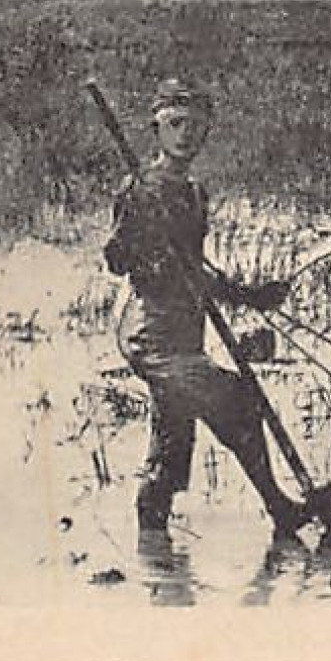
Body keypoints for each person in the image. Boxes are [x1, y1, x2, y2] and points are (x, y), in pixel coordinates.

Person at [104, 78, 307, 537]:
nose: (185, 135)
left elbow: (198, 271)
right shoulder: (139, 190)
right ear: (156, 129)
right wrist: (150, 246)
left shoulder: (194, 193)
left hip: (184, 333)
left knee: (172, 445)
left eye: (195, 126)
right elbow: (117, 259)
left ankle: (155, 559)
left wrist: (252, 296)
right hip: (152, 334)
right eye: (175, 124)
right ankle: (279, 509)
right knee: (240, 401)